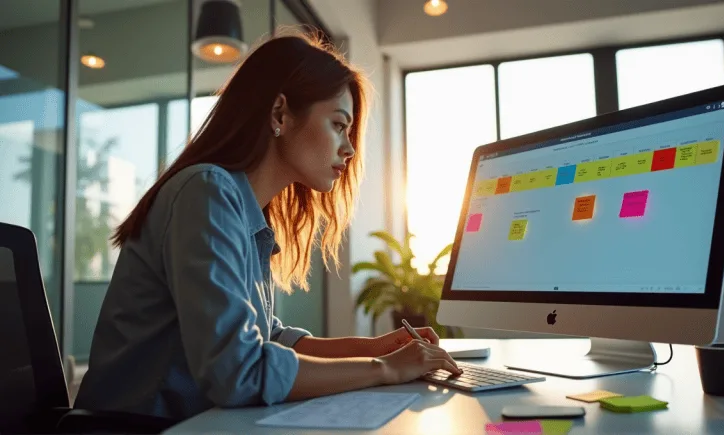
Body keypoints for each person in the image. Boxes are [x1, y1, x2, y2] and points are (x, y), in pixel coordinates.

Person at [74, 33, 462, 421]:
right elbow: (238, 370)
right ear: (279, 114)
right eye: (338, 125)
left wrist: (374, 349)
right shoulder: (206, 192)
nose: (349, 148)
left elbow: (267, 338)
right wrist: (386, 369)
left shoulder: (241, 208)